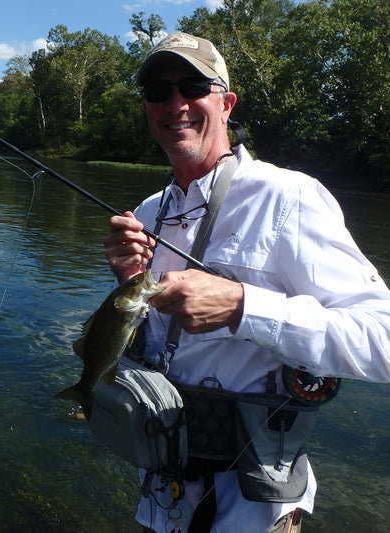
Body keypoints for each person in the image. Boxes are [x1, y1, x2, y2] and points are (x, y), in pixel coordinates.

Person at [103, 32, 390, 533]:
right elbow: (147, 351)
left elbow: (382, 337)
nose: (176, 103)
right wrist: (129, 286)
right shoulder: (152, 210)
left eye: (192, 86)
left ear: (226, 102)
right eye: (157, 90)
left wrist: (241, 305)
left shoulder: (289, 196)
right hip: (163, 494)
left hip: (253, 510)